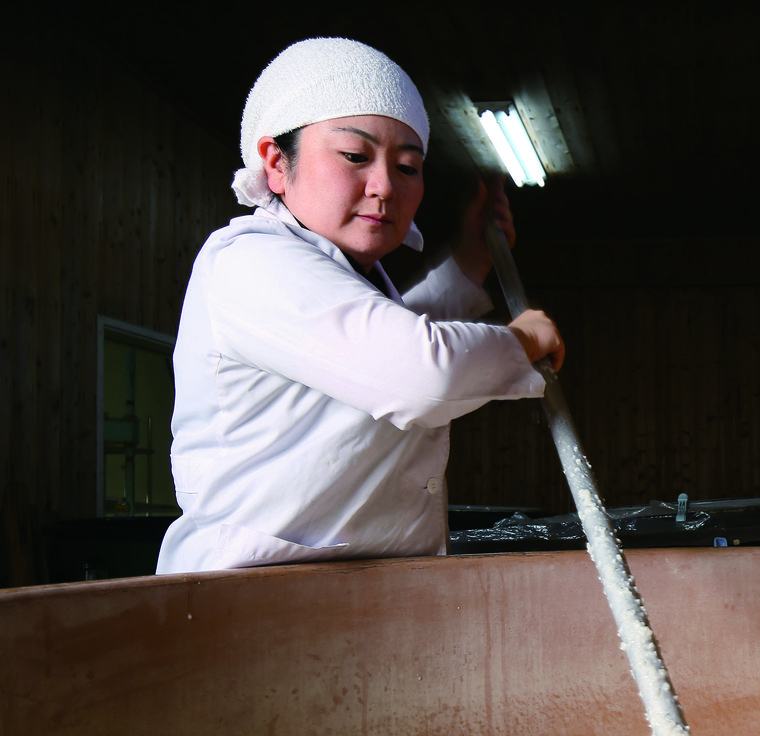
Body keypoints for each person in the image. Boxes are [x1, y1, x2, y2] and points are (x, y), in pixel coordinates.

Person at [156, 37, 563, 574]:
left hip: (335, 600)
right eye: (354, 156)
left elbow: (377, 340)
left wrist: (468, 263)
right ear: (277, 162)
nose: (384, 187)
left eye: (408, 167)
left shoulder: (346, 280)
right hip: (245, 606)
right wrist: (521, 340)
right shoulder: (250, 261)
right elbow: (417, 371)